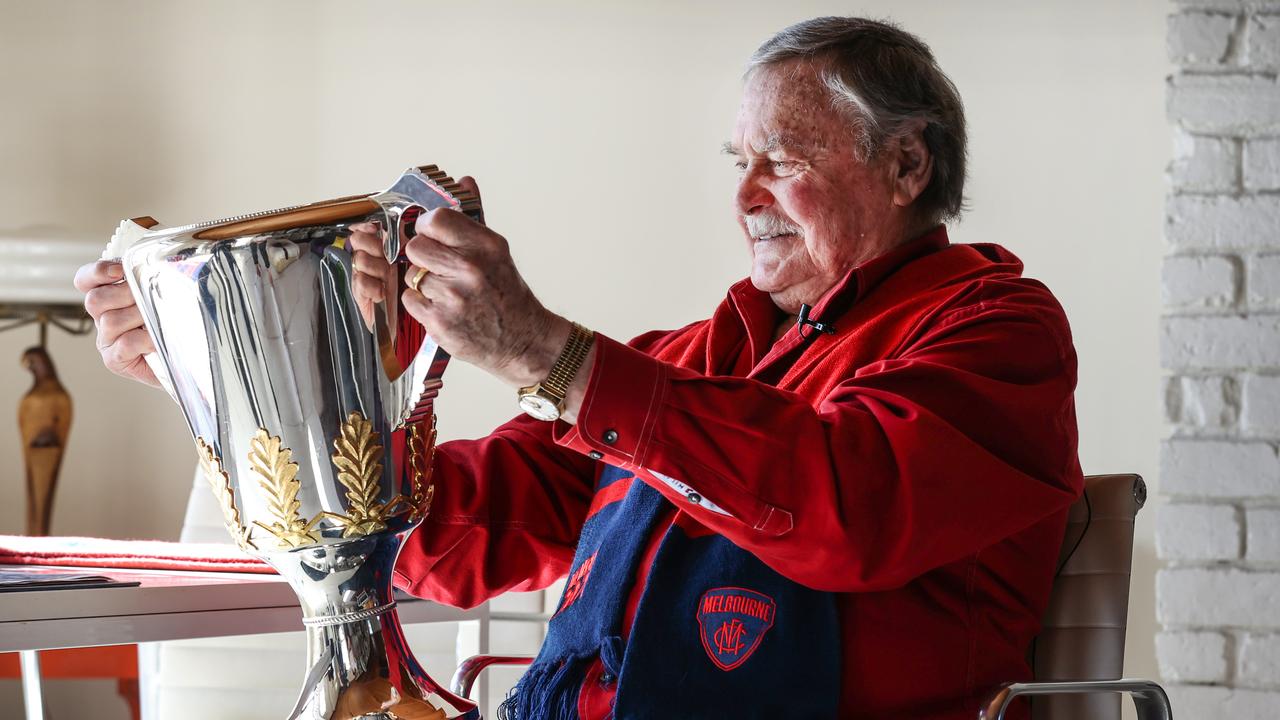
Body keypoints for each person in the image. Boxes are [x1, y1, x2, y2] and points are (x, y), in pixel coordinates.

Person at [77, 16, 1083, 720]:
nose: (745, 199)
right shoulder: (694, 361)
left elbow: (841, 506)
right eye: (739, 162)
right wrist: (216, 372)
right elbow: (444, 540)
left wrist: (549, 356)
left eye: (782, 158)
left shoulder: (995, 330)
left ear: (906, 167)